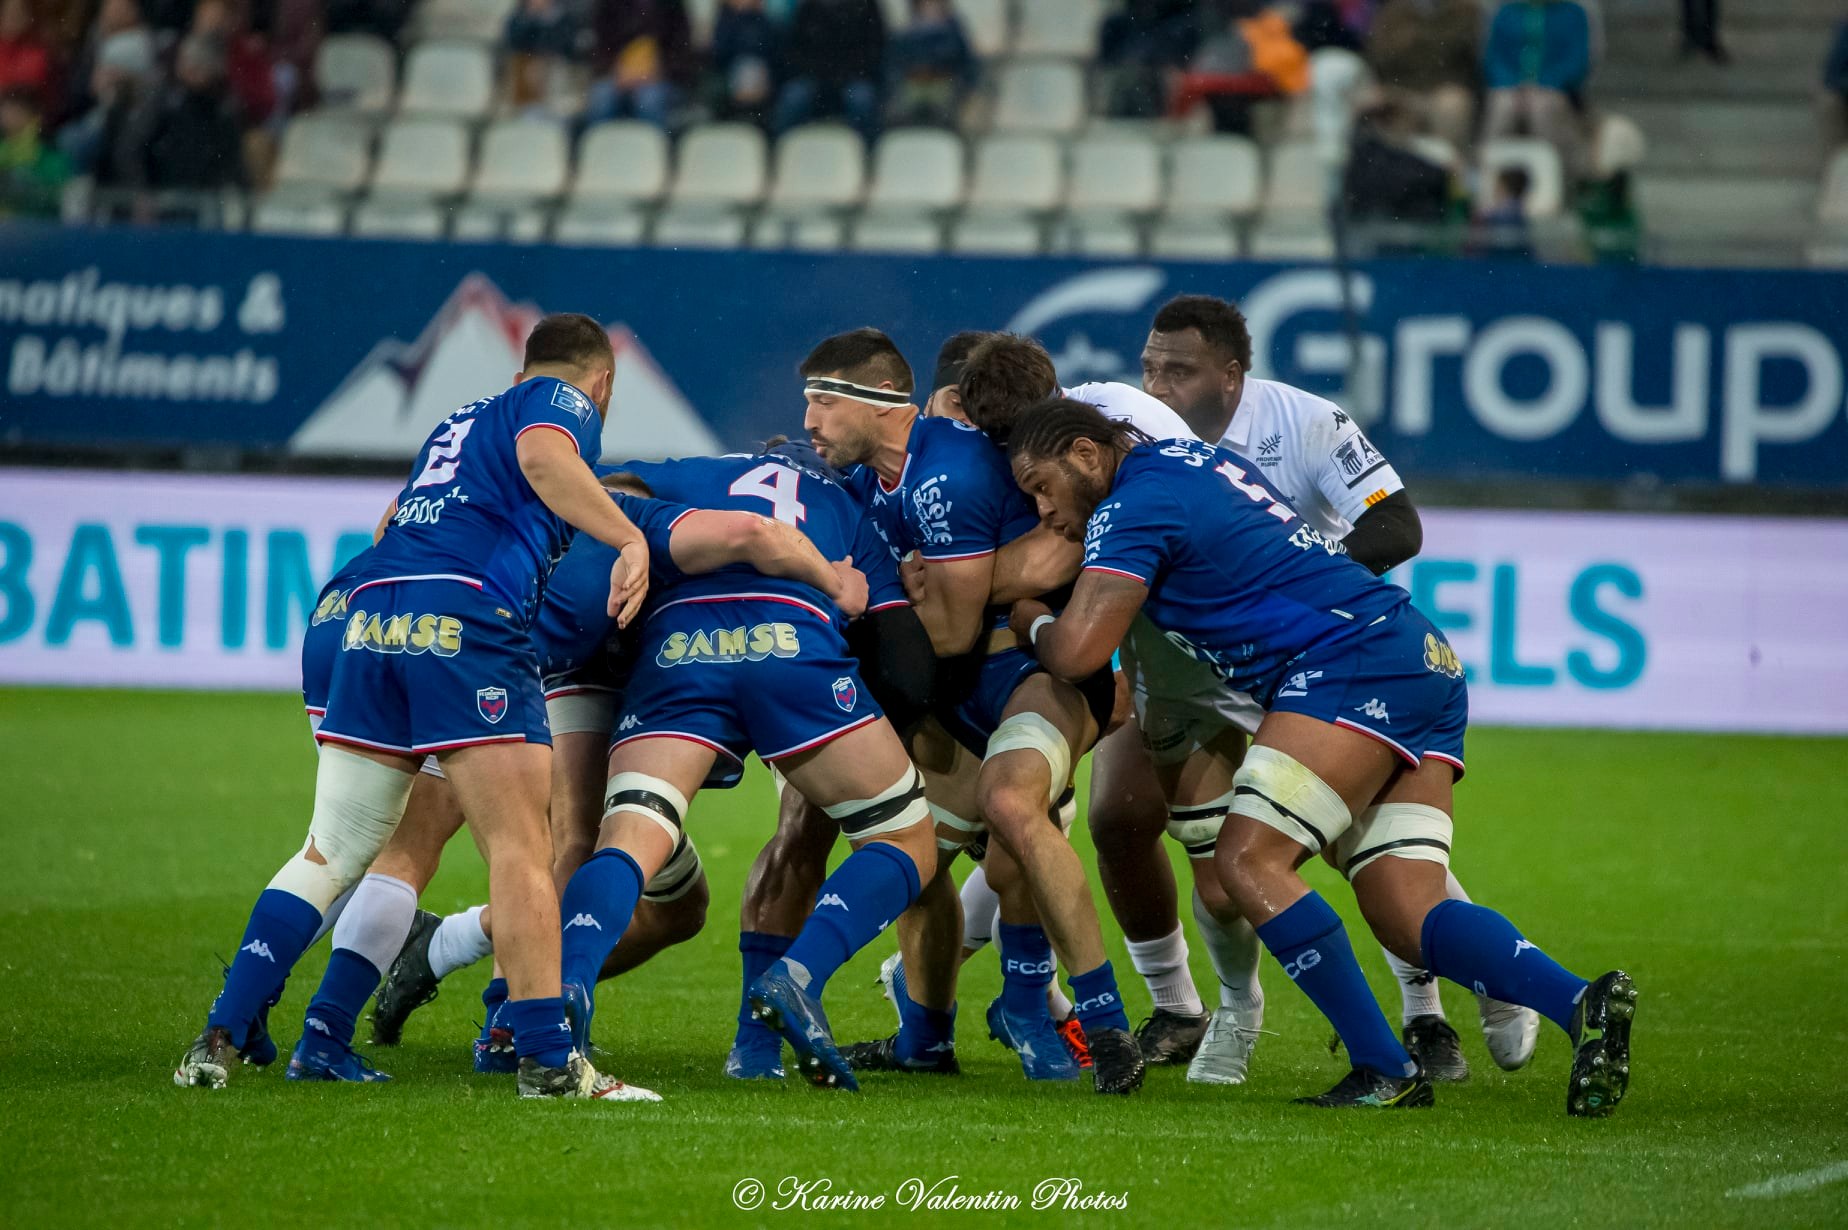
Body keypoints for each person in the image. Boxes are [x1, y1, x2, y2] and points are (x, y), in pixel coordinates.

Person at [1006, 401, 1637, 1114]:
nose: (1042, 509)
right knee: (1407, 909)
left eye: (1041, 486)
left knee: (1248, 861)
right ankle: (1581, 1003)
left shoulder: (1133, 505)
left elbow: (1080, 653)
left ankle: (1382, 1066)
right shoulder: (1195, 462)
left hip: (1348, 665)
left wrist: (1032, 617)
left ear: (1087, 454)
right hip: (1416, 654)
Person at [175, 314, 657, 1103]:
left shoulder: (458, 423)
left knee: (334, 849)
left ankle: (220, 1036)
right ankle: (548, 1062)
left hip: (372, 615)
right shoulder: (561, 403)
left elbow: (391, 523)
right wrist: (628, 540)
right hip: (466, 619)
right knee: (520, 847)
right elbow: (544, 458)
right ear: (602, 383)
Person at [294, 466, 855, 1077]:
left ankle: (445, 947)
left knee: (680, 908)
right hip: (545, 679)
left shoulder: (660, 510)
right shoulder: (586, 525)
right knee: (556, 844)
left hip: (622, 679)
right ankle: (508, 1021)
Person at [1120, 294, 1538, 1084]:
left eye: (1178, 370)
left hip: (1306, 657)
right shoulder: (1131, 429)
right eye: (1150, 368)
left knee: (1359, 847)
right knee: (1144, 829)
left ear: (1231, 376)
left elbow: (1397, 526)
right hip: (1185, 669)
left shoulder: (1304, 421)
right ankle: (1223, 1011)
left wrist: (1298, 588)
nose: (1157, 386)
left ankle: (1434, 1010)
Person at [812, 330, 1164, 1095]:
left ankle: (1081, 1018)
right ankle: (928, 1036)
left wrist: (948, 582)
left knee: (1013, 832)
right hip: (962, 686)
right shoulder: (907, 471)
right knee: (911, 848)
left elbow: (1056, 552)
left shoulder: (1105, 438)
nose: (1008, 466)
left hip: (1041, 670)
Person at [551, 445, 939, 1094]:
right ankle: (797, 977)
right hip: (792, 647)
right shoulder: (847, 504)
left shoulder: (684, 470)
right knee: (905, 837)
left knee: (630, 838)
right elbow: (906, 666)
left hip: (679, 650)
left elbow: (588, 491)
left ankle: (566, 982)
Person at [1483, 0, 1591, 180]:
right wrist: (1513, 84)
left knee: (1542, 108)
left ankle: (1552, 180)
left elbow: (1577, 61)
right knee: (1502, 106)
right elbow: (1494, 60)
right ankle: (1490, 178)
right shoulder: (1506, 12)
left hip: (1555, 91)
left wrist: (1544, 83)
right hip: (1510, 89)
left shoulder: (1573, 14)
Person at [1364, 0, 1480, 151]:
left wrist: (1414, 35)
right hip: (1398, 90)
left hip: (1442, 91)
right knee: (1374, 102)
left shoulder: (1465, 11)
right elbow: (1378, 57)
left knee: (1452, 104)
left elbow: (1463, 57)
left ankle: (1446, 162)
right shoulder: (1393, 12)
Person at [773, 0, 884, 142]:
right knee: (792, 98)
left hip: (853, 76)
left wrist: (846, 73)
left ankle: (870, 149)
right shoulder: (809, 6)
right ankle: (778, 147)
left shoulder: (866, 5)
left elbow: (874, 49)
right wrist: (819, 72)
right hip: (814, 76)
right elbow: (795, 50)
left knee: (862, 100)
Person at [584, 0, 693, 129]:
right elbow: (600, 48)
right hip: (619, 77)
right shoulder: (610, 4)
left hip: (662, 79)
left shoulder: (672, 4)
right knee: (601, 96)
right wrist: (617, 73)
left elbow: (682, 51)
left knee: (649, 100)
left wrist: (657, 73)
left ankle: (655, 141)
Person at [884, 0, 976, 129]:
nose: (930, 8)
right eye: (925, 4)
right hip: (912, 87)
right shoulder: (906, 34)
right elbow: (895, 63)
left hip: (944, 86)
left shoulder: (953, 33)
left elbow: (965, 64)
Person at [0, 86, 68, 217]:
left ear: (31, 113)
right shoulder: (4, 145)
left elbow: (56, 191)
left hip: (35, 221)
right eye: (5, 110)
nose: (7, 116)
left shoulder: (47, 149)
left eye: (15, 110)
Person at [708, 0, 776, 126]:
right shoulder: (725, 21)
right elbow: (719, 54)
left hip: (762, 75)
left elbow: (771, 51)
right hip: (730, 73)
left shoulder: (764, 22)